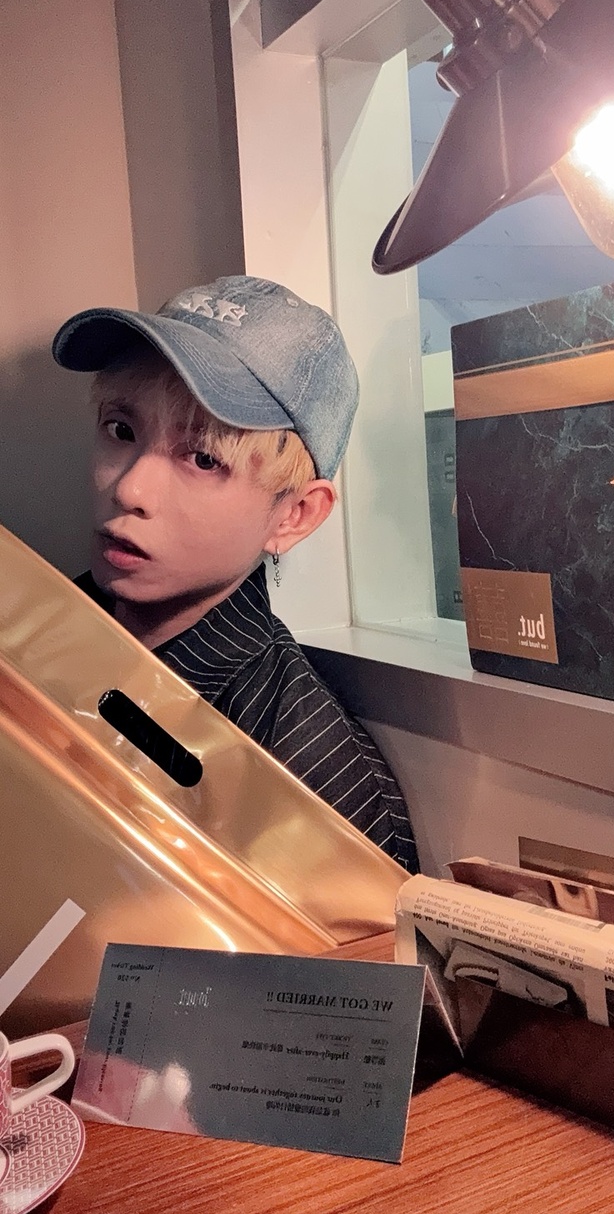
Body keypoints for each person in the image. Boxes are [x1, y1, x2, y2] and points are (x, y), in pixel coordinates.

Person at [52, 275, 419, 873]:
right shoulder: (36, 629)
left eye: (203, 459)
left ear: (295, 515)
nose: (130, 488)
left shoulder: (305, 774)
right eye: (121, 430)